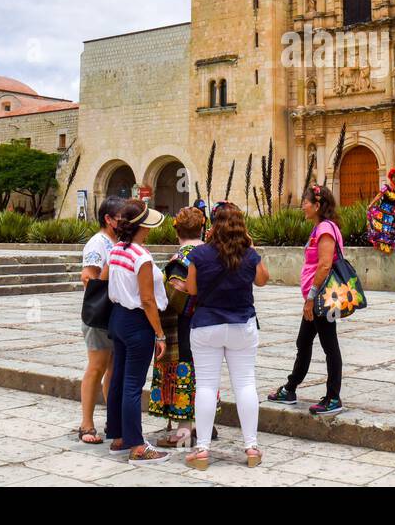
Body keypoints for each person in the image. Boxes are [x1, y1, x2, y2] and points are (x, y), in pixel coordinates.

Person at [183, 203, 269, 469]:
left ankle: (202, 450)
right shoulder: (248, 254)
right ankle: (251, 447)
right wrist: (251, 248)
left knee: (207, 386)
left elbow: (192, 288)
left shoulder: (200, 254)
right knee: (245, 384)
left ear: (213, 225)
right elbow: (263, 280)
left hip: (207, 325)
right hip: (242, 325)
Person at [102, 199, 171, 464]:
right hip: (137, 321)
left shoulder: (117, 249)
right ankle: (137, 445)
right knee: (132, 383)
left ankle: (118, 435)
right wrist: (160, 333)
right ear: (141, 225)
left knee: (119, 379)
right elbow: (147, 299)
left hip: (118, 318)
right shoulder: (141, 256)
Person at [267, 185, 343, 416]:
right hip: (315, 299)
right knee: (303, 342)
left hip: (323, 299)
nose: (302, 206)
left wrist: (310, 298)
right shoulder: (318, 228)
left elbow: (325, 264)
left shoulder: (326, 229)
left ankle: (333, 397)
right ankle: (290, 389)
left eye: (305, 202)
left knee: (330, 346)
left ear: (317, 205)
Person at [148, 206, 208, 448]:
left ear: (177, 232)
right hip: (209, 321)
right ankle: (204, 423)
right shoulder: (211, 253)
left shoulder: (180, 259)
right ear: (202, 228)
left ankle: (184, 431)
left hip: (183, 325)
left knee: (184, 370)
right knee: (204, 373)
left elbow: (178, 291)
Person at [77, 196, 121, 445]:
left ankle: (112, 419)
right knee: (97, 367)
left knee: (113, 370)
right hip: (100, 315)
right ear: (108, 219)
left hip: (115, 314)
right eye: (121, 218)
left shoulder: (117, 241)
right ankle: (86, 423)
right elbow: (88, 278)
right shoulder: (98, 244)